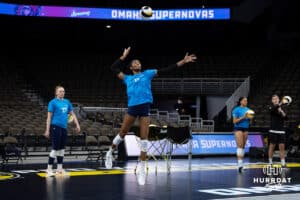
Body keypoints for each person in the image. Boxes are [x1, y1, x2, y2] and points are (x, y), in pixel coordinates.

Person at [105, 47, 196, 185]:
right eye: (134, 62)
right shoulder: (127, 78)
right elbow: (113, 68)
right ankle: (109, 152)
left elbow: (167, 69)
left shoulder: (147, 74)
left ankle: (142, 169)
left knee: (144, 139)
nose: (137, 63)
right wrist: (123, 57)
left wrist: (183, 61)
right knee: (123, 132)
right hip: (132, 108)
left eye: (138, 62)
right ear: (130, 67)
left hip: (145, 108)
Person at [44, 86, 80, 177]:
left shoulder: (67, 102)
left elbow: (72, 114)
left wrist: (77, 124)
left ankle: (59, 170)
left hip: (64, 128)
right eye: (60, 91)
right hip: (55, 127)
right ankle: (48, 169)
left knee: (62, 150)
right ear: (56, 93)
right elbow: (49, 117)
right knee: (55, 149)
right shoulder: (52, 102)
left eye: (63, 91)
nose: (62, 93)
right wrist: (47, 130)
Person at [232, 97, 252, 173]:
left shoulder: (248, 109)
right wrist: (243, 117)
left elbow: (249, 121)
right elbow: (234, 121)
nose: (246, 101)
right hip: (238, 128)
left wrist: (250, 119)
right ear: (240, 101)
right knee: (240, 146)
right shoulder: (236, 109)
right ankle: (240, 166)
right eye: (244, 100)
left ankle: (241, 164)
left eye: (246, 100)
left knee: (243, 146)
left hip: (246, 129)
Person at [268, 94, 288, 167]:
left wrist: (281, 111)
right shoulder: (271, 107)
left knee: (282, 147)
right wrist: (279, 105)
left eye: (277, 98)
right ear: (272, 101)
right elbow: (272, 111)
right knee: (272, 147)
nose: (275, 100)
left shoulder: (283, 108)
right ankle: (270, 162)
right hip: (273, 130)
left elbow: (286, 118)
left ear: (279, 99)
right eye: (274, 99)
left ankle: (283, 162)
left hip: (281, 131)